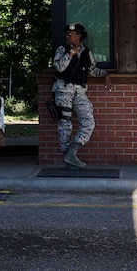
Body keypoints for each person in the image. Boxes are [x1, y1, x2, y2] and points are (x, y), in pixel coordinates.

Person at [53, 23, 113, 168]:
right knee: (65, 125)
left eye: (70, 34)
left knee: (88, 122)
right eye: (67, 33)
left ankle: (72, 152)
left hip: (79, 92)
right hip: (63, 91)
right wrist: (70, 54)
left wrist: (105, 74)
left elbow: (93, 70)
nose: (67, 36)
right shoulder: (62, 50)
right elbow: (59, 67)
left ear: (78, 36)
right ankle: (66, 156)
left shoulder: (87, 52)